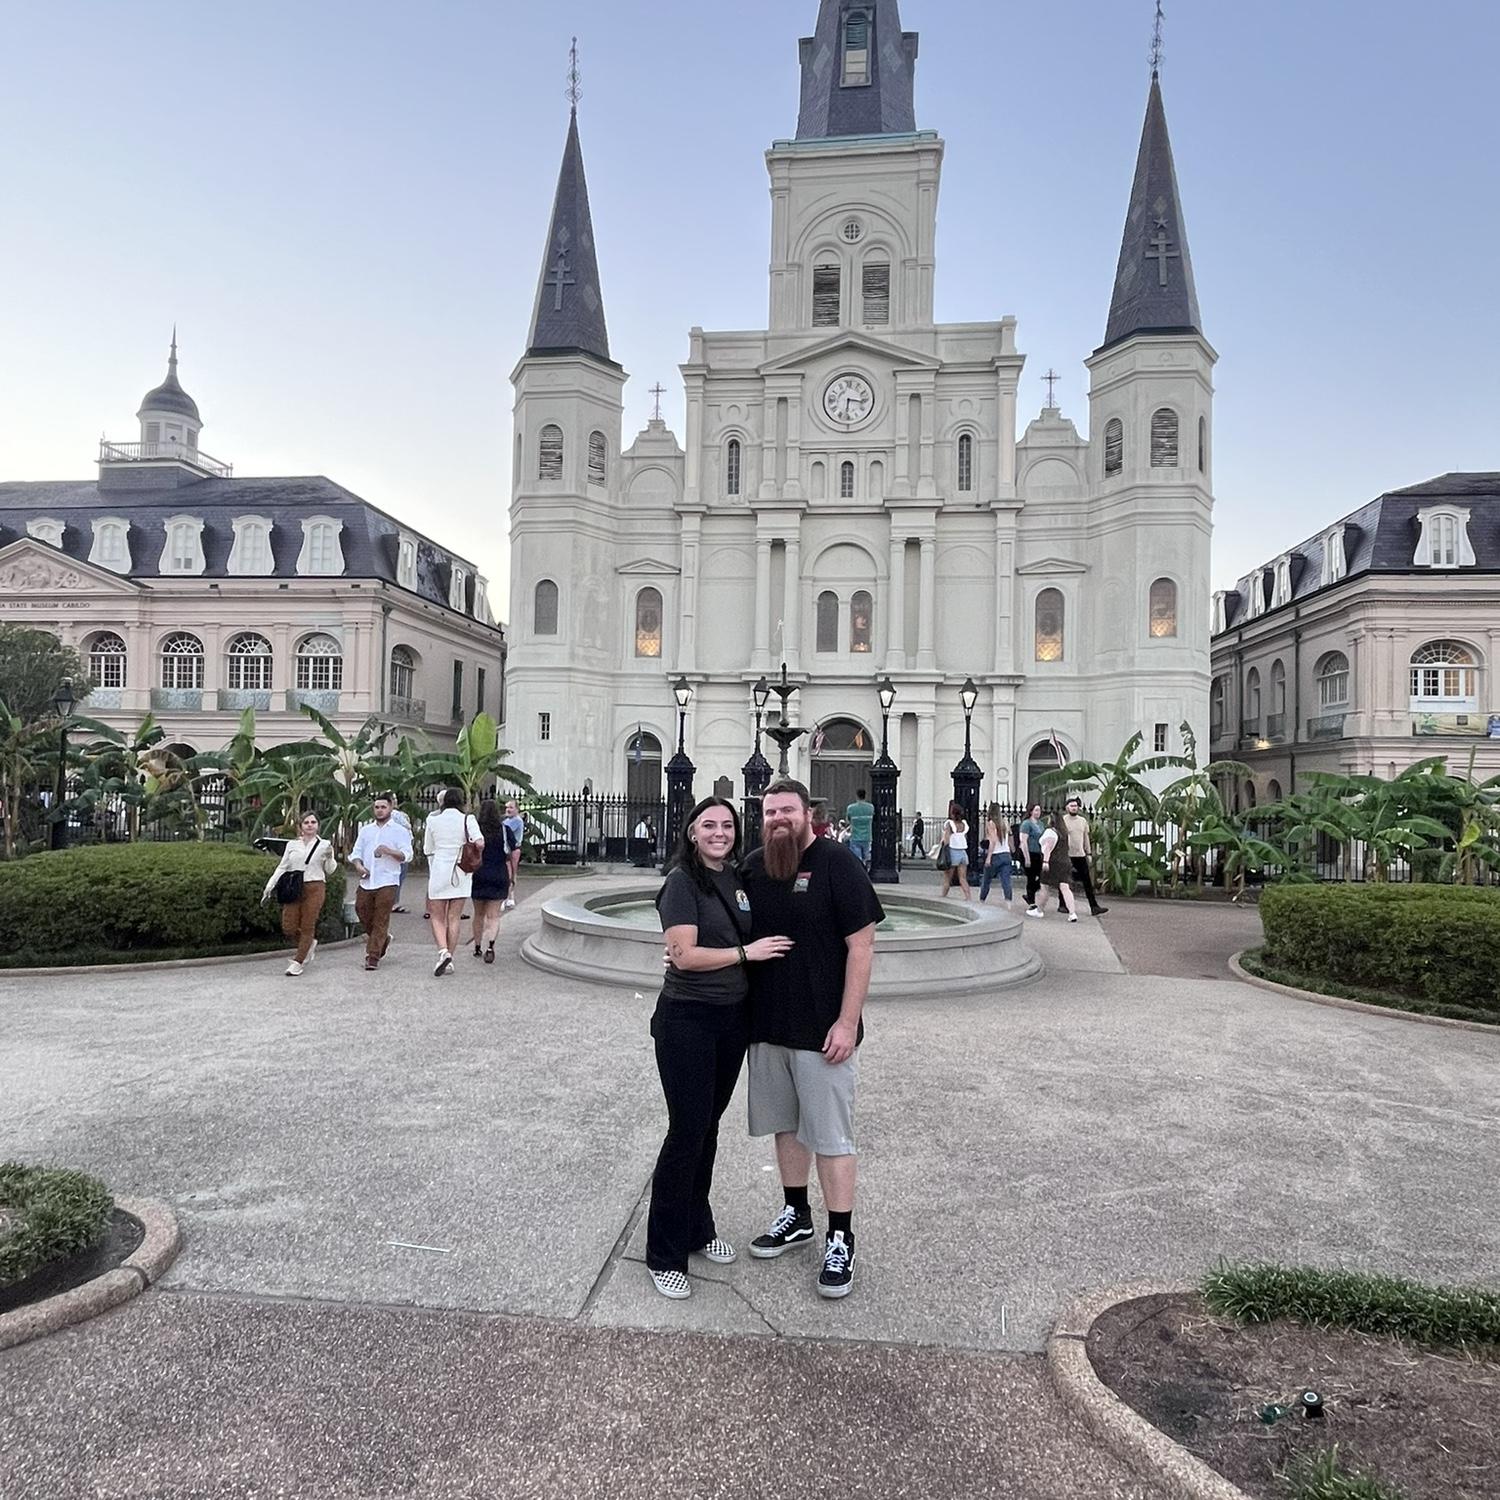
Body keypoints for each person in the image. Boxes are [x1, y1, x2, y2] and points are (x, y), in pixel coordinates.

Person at [647, 798, 794, 1299]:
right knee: (685, 1131)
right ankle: (663, 1252)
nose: (719, 832)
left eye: (727, 825)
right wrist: (743, 954)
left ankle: (696, 1225)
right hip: (688, 1020)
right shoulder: (681, 883)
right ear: (691, 832)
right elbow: (683, 955)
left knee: (707, 1129)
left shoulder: (735, 877)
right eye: (708, 825)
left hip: (730, 1020)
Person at [742, 779, 884, 1300]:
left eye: (787, 810)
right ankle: (796, 1213)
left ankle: (841, 1235)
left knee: (830, 1136)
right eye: (769, 811)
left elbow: (862, 948)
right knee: (785, 1126)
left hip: (824, 1030)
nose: (778, 818)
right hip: (770, 1027)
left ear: (808, 814)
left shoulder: (837, 864)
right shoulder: (755, 866)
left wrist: (848, 1023)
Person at [261, 811, 338, 976]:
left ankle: (298, 961)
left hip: (315, 886)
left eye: (313, 822)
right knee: (288, 926)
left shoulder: (324, 844)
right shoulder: (292, 845)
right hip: (294, 886)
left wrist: (330, 857)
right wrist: (270, 885)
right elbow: (283, 866)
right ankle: (308, 944)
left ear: (318, 825)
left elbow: (330, 870)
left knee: (307, 924)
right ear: (301, 826)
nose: (310, 825)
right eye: (306, 823)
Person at [350, 792, 413, 971]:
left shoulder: (399, 831)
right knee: (361, 909)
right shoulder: (366, 830)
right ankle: (382, 939)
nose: (379, 810)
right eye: (376, 807)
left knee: (381, 917)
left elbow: (408, 855)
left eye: (383, 807)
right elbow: (356, 852)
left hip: (388, 880)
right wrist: (358, 865)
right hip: (367, 880)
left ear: (391, 808)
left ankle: (373, 956)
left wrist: (390, 851)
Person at [424, 789, 482, 976]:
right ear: (461, 802)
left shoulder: (432, 820)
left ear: (443, 802)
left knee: (437, 916)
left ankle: (443, 951)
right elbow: (480, 842)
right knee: (454, 917)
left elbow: (428, 849)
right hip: (461, 871)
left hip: (440, 869)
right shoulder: (468, 819)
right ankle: (450, 959)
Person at [469, 797, 512, 963]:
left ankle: (477, 947)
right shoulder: (504, 830)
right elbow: (512, 854)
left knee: (478, 914)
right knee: (494, 916)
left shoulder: (476, 831)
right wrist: (512, 876)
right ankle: (491, 945)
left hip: (478, 874)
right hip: (499, 873)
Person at [1028, 812, 1079, 922]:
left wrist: (1045, 861)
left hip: (1053, 862)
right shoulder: (1064, 834)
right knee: (1065, 887)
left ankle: (1039, 910)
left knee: (1045, 886)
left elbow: (1047, 848)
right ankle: (1072, 913)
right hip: (1065, 861)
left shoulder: (1050, 832)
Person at [1063, 796, 1109, 915]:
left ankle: (1094, 906)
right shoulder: (1063, 820)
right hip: (1067, 854)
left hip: (1080, 854)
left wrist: (1088, 852)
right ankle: (1062, 904)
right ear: (1067, 807)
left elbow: (1086, 838)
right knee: (1064, 880)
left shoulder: (1082, 821)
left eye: (1075, 806)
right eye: (1071, 806)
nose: (1074, 808)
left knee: (1087, 881)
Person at [978, 803, 1014, 904]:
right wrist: (1012, 849)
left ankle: (982, 900)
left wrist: (989, 857)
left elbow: (993, 841)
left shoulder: (991, 823)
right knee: (1006, 880)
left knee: (986, 880)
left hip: (995, 854)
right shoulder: (1005, 822)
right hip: (1006, 854)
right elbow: (1011, 836)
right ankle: (1008, 903)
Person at [939, 801, 972, 900]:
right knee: (962, 878)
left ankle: (943, 896)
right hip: (963, 853)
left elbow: (946, 839)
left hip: (953, 852)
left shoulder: (949, 824)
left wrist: (942, 846)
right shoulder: (964, 824)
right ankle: (968, 897)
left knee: (947, 878)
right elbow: (964, 837)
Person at [388, 793, 414, 914]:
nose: (395, 801)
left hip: (404, 850)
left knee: (399, 877)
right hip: (398, 850)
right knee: (396, 877)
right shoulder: (393, 815)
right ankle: (392, 903)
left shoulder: (400, 815)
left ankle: (394, 902)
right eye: (393, 799)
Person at [1019, 804, 1047, 908]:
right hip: (1029, 852)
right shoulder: (1026, 824)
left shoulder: (1040, 824)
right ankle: (1031, 900)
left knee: (1039, 877)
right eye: (1036, 810)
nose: (1038, 812)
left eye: (1039, 810)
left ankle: (1030, 895)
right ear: (1031, 811)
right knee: (1031, 877)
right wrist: (1026, 857)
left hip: (1038, 853)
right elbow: (1023, 841)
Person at [502, 800, 525, 908]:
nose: (508, 809)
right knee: (508, 873)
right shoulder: (506, 821)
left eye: (511, 807)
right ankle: (508, 896)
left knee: (511, 873)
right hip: (507, 849)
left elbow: (505, 831)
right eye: (507, 807)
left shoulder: (517, 821)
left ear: (517, 809)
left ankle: (509, 897)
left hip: (514, 849)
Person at [845, 788, 874, 868]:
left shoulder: (851, 808)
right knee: (866, 857)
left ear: (857, 796)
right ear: (865, 796)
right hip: (867, 836)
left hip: (855, 836)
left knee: (857, 859)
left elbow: (847, 820)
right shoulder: (870, 807)